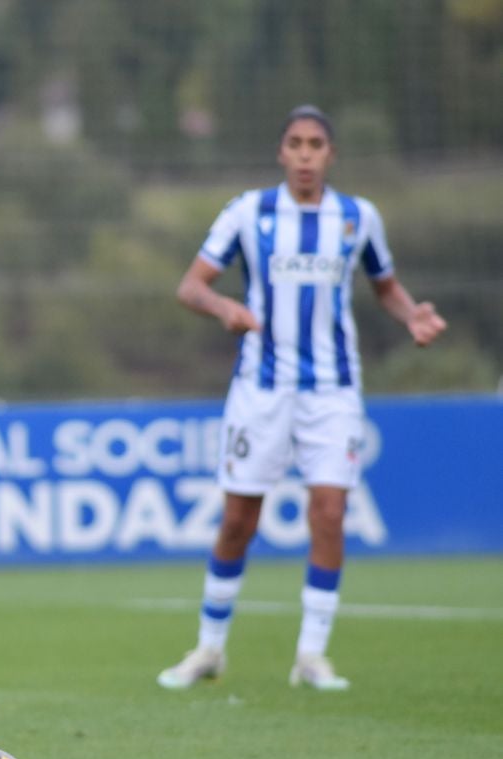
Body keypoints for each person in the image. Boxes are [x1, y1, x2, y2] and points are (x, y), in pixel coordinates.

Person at [157, 106, 447, 692]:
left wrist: (410, 314)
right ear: (281, 152)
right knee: (239, 519)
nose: (307, 154)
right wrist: (225, 309)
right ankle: (209, 648)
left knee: (331, 513)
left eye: (317, 144)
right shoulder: (249, 211)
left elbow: (385, 286)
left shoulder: (357, 217)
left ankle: (311, 656)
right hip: (261, 388)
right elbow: (191, 286)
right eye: (296, 143)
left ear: (331, 155)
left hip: (333, 390)